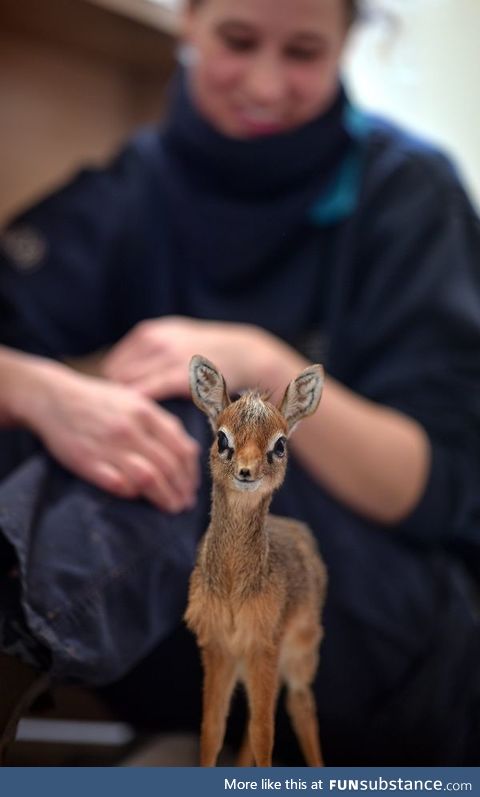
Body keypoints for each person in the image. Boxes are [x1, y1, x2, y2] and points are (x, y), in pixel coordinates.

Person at [1, 0, 480, 765]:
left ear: (347, 44)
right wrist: (40, 391)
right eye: (237, 41)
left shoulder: (409, 194)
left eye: (302, 54)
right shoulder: (132, 186)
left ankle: (19, 634)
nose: (264, 82)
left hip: (391, 633)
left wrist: (265, 361)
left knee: (220, 430)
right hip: (185, 624)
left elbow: (435, 485)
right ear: (188, 20)